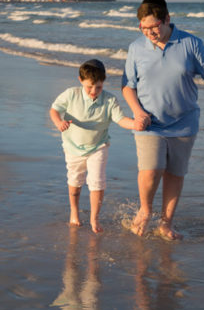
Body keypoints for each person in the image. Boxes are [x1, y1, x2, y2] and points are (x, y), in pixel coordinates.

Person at [121, 0, 204, 240]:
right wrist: (137, 111)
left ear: (167, 19)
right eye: (145, 28)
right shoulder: (136, 48)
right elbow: (127, 85)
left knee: (175, 174)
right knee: (151, 170)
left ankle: (166, 224)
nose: (151, 32)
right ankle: (145, 210)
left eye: (155, 26)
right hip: (150, 123)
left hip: (184, 123)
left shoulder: (190, 43)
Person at [50, 59, 141, 233]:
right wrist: (58, 123)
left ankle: (94, 218)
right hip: (73, 146)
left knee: (97, 181)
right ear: (80, 80)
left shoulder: (109, 100)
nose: (93, 92)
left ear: (103, 82)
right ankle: (74, 212)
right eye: (89, 87)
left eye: (98, 87)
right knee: (75, 182)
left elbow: (120, 119)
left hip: (99, 145)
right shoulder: (71, 94)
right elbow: (54, 110)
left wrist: (135, 124)